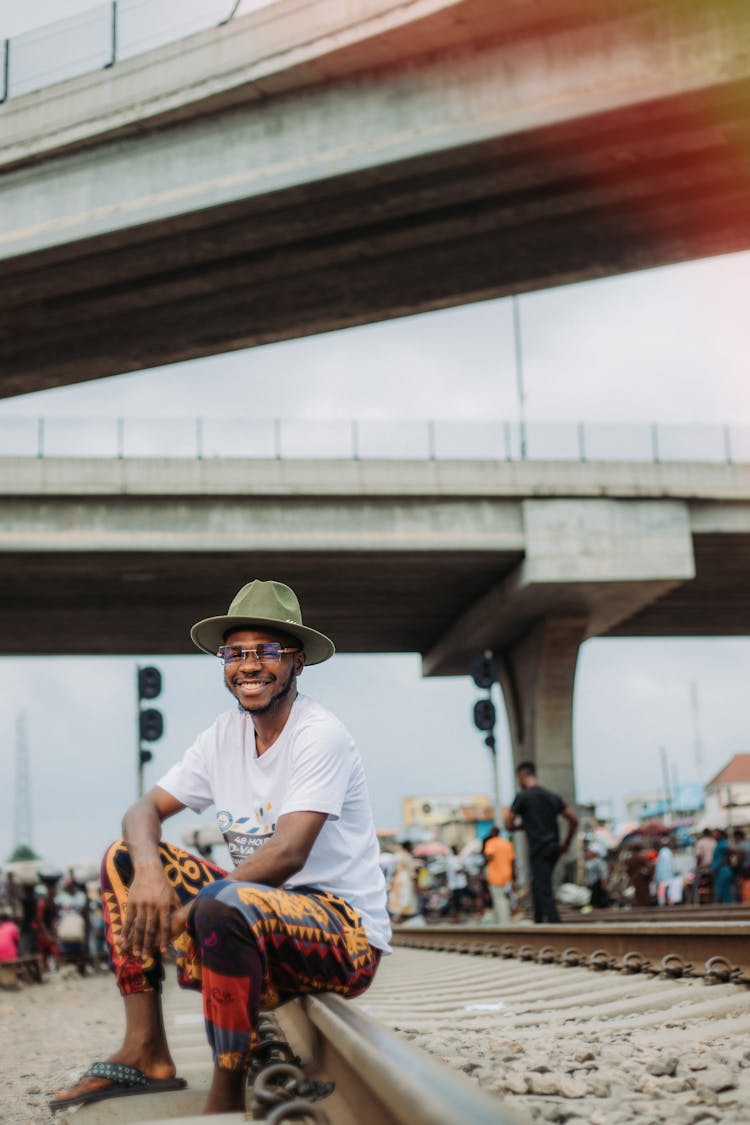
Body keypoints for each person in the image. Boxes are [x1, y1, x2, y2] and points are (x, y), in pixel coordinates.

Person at [50, 579, 391, 1115]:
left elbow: (287, 854)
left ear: (296, 662)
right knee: (123, 856)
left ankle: (225, 1094)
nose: (249, 665)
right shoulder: (221, 736)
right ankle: (147, 1052)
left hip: (341, 934)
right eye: (235, 653)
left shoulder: (319, 735)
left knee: (221, 901)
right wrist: (147, 870)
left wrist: (187, 914)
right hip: (247, 921)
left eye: (267, 652)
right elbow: (142, 811)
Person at [504, 761, 578, 924]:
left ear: (522, 776)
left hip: (538, 848)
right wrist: (566, 842)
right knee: (538, 884)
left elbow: (508, 823)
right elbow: (573, 819)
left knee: (543, 888)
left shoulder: (523, 797)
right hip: (554, 848)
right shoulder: (551, 796)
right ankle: (538, 922)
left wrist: (522, 826)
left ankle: (556, 927)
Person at [482, 826, 515, 924]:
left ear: (492, 834)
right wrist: (513, 877)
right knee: (502, 897)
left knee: (499, 899)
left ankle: (504, 921)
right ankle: (496, 921)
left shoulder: (491, 843)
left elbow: (489, 856)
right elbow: (512, 861)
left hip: (495, 875)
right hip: (507, 875)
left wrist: (484, 863)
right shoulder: (507, 844)